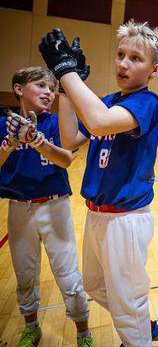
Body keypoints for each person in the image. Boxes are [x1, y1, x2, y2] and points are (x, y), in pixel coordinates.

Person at [38, 23, 158, 346]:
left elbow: (98, 123)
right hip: (97, 215)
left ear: (154, 70)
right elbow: (70, 139)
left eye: (135, 58)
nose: (123, 63)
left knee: (127, 304)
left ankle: (138, 333)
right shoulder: (108, 99)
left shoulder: (148, 101)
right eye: (120, 54)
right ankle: (143, 324)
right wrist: (66, 89)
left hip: (125, 219)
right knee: (96, 287)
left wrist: (65, 69)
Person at [0, 67, 93, 347]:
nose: (48, 93)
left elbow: (66, 160)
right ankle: (31, 327)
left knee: (68, 274)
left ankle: (83, 332)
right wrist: (9, 144)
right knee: (25, 274)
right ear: (19, 89)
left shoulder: (56, 122)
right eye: (40, 86)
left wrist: (36, 141)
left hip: (55, 205)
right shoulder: (4, 124)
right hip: (19, 207)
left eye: (52, 89)